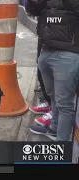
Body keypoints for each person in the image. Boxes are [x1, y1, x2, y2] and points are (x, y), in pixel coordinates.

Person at [26, 0, 79, 141]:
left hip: (68, 53)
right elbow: (32, 10)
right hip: (46, 50)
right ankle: (54, 128)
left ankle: (62, 143)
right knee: (52, 95)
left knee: (64, 103)